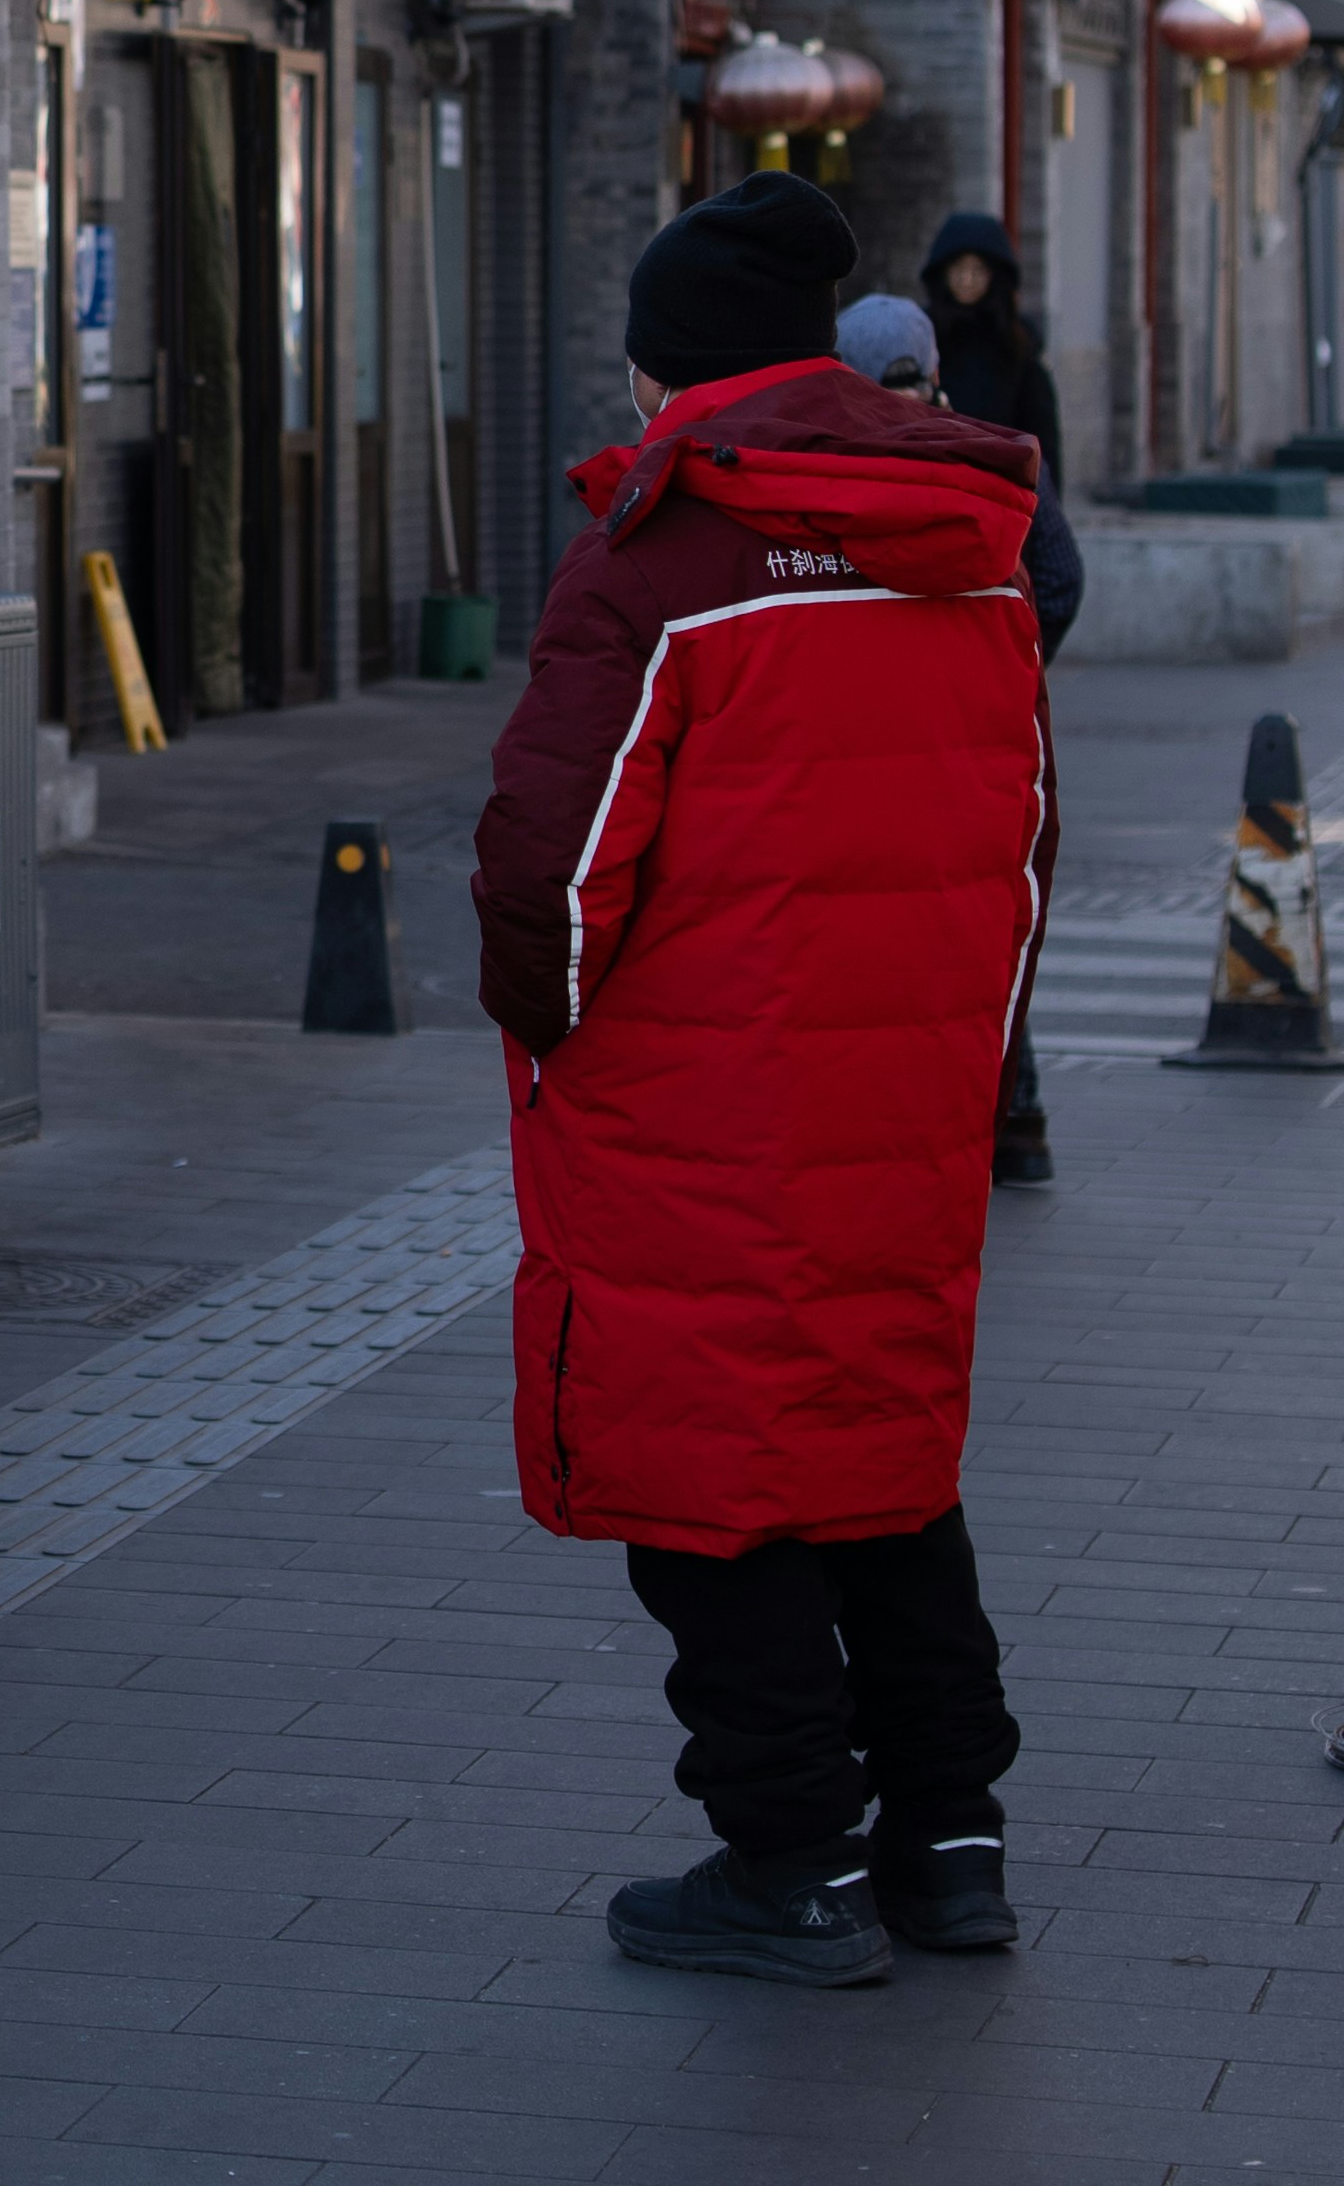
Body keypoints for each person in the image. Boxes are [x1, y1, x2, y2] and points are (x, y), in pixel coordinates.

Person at [474, 169, 1053, 1990]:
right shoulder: (963, 532)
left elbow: (549, 872)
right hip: (907, 1090)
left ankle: (790, 1849)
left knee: (708, 1467)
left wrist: (551, 1029)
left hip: (696, 1094)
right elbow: (1029, 835)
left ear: (665, 370)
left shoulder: (668, 552)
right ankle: (951, 1844)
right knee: (881, 1451)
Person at [839, 291, 1080, 1188]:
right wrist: (1001, 667)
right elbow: (1057, 578)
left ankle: (913, 1129)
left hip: (867, 755)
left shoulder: (818, 472)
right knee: (978, 928)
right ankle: (1004, 1116)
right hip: (973, 747)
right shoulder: (990, 463)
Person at [920, 213, 1064, 486]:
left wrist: (1044, 493)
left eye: (977, 271)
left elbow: (1042, 428)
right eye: (958, 270)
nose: (966, 280)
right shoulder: (924, 333)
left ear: (994, 276)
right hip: (937, 478)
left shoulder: (1017, 340)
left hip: (1002, 481)